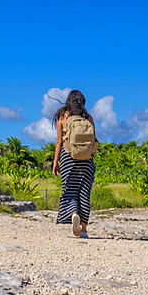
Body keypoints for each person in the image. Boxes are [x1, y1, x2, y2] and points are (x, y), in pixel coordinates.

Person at [51, 90, 96, 238]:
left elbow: (59, 142)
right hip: (87, 161)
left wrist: (55, 162)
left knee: (69, 191)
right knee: (84, 193)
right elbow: (93, 141)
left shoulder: (62, 117)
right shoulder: (88, 118)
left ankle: (73, 214)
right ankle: (83, 231)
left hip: (68, 158)